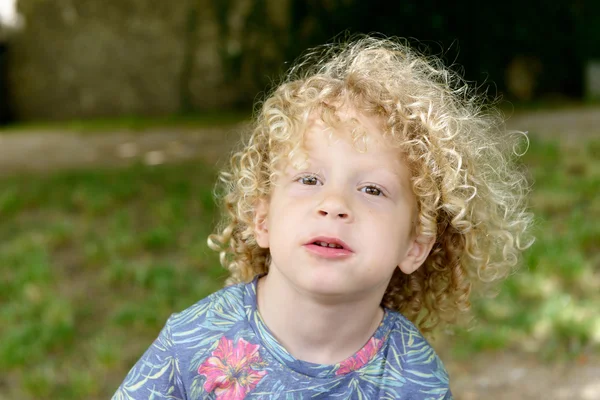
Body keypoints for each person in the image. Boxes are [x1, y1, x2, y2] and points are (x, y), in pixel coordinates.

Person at [113, 35, 533, 399]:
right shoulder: (194, 341)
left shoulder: (413, 379)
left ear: (415, 244)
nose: (334, 204)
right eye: (309, 178)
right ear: (262, 218)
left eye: (372, 189)